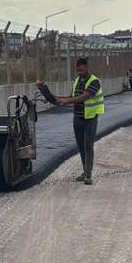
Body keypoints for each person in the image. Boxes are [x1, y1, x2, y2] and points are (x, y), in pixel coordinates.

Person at [40, 57, 104, 185]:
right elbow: (72, 97)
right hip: (77, 118)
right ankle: (85, 171)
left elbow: (83, 97)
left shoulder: (95, 81)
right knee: (81, 146)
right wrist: (55, 98)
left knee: (88, 146)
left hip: (90, 119)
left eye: (82, 70)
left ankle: (88, 175)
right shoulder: (77, 81)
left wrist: (66, 101)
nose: (80, 73)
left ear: (87, 67)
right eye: (78, 71)